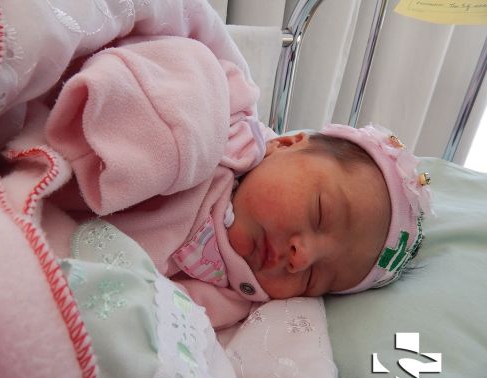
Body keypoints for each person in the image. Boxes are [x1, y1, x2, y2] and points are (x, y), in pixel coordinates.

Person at [44, 35, 432, 329]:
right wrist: (182, 142)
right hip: (63, 141)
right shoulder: (228, 123)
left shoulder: (232, 297)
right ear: (285, 144)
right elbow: (178, 68)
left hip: (48, 239)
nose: (301, 257)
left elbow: (152, 318)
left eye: (315, 278)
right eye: (320, 213)